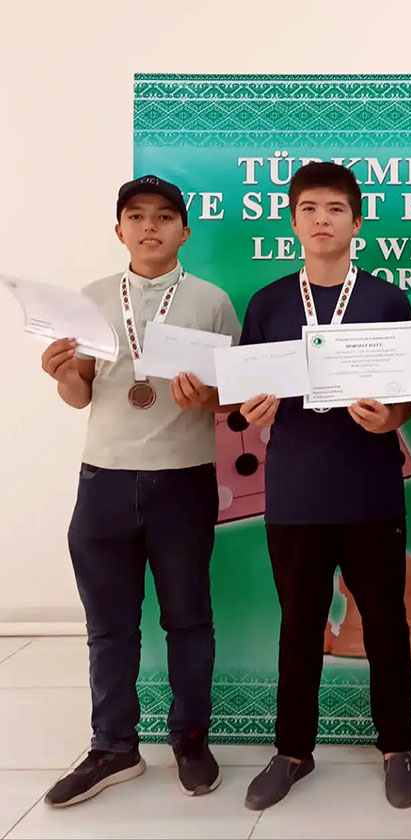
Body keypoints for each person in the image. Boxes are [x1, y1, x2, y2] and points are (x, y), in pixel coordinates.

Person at [40, 176, 240, 807]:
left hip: (183, 479)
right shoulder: (92, 299)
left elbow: (233, 400)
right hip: (103, 478)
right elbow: (80, 393)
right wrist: (62, 375)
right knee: (109, 626)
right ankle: (113, 747)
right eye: (136, 216)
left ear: (185, 231)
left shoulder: (211, 302)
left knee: (188, 619)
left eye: (164, 217)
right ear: (119, 229)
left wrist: (208, 398)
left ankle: (191, 739)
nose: (150, 226)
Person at [238, 162, 411, 811]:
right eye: (310, 209)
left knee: (386, 625)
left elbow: (409, 398)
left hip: (371, 492)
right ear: (293, 221)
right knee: (300, 627)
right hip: (295, 495)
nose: (322, 219)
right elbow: (244, 398)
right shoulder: (267, 303)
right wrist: (251, 411)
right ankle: (292, 751)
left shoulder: (386, 300)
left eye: (335, 209)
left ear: (356, 222)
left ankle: (398, 746)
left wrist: (391, 419)